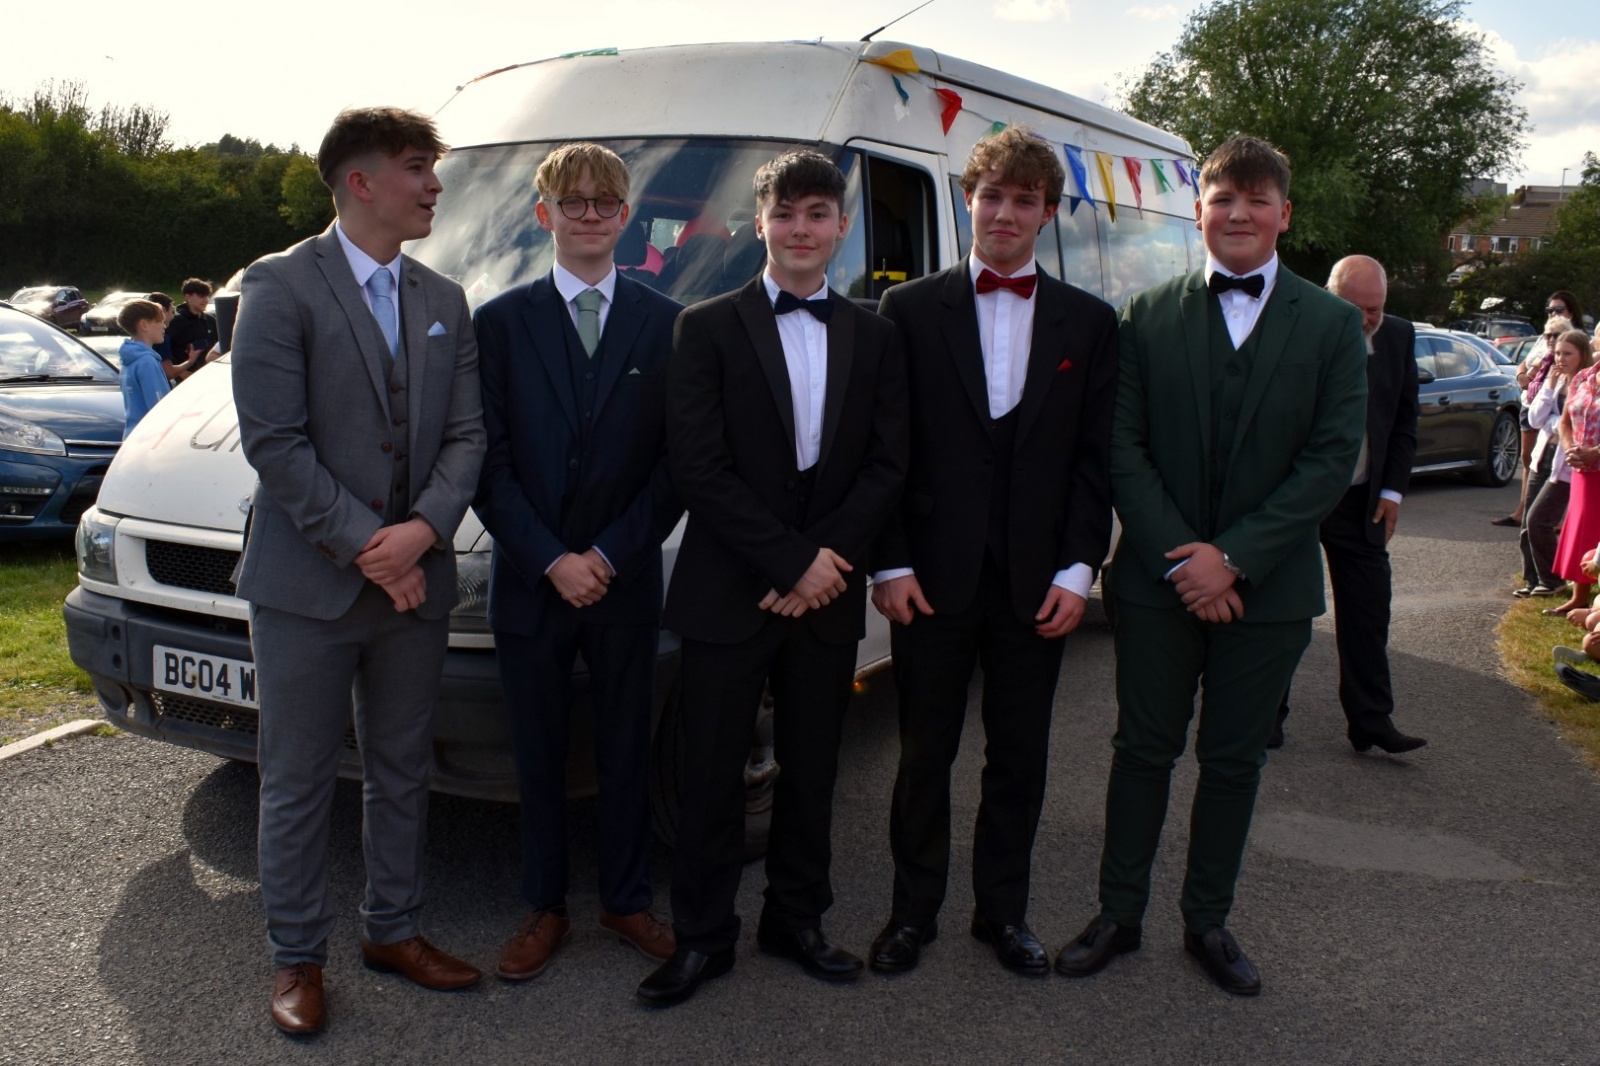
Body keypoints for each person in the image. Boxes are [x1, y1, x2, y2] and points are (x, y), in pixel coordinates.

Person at [1056, 135, 1366, 996]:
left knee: (1234, 762)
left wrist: (1233, 560)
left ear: (1284, 215)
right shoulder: (1144, 316)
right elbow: (1122, 448)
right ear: (1199, 211)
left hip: (1270, 592)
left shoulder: (1333, 324)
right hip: (1157, 585)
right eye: (1224, 197)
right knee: (1141, 751)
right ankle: (1119, 914)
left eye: (1257, 199)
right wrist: (1184, 562)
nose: (1239, 213)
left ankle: (1207, 922)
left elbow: (1331, 459)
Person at [231, 106, 487, 1037]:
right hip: (308, 588)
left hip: (414, 583)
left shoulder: (444, 297)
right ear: (361, 181)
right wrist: (372, 548)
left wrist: (420, 533)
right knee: (297, 779)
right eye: (418, 167)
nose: (434, 185)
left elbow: (467, 436)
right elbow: (275, 442)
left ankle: (394, 931)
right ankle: (297, 957)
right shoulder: (279, 285)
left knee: (401, 768)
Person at [639, 148, 908, 1008]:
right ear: (759, 225)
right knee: (710, 776)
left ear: (841, 226)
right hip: (731, 591)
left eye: (817, 214)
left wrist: (822, 564)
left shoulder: (877, 333)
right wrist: (792, 561)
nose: (800, 229)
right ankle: (702, 937)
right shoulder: (705, 326)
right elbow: (698, 466)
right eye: (784, 214)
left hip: (826, 595)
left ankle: (797, 920)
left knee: (813, 770)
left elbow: (888, 463)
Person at [864, 127, 1119, 978]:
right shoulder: (907, 311)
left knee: (1019, 759)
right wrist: (890, 563)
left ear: (1046, 212)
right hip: (930, 582)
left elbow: (1094, 461)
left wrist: (1078, 572)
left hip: (1037, 584)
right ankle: (911, 914)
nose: (1005, 213)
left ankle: (1002, 915)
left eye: (1024, 199)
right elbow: (886, 450)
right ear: (968, 200)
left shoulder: (1090, 322)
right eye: (992, 195)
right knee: (922, 755)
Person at [472, 143, 684, 981]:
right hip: (531, 582)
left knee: (628, 746)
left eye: (605, 203)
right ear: (544, 214)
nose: (589, 215)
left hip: (625, 581)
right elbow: (487, 463)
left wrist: (606, 553)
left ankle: (627, 899)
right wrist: (552, 558)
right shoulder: (499, 323)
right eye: (573, 201)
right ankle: (545, 905)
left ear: (626, 217)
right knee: (537, 751)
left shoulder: (668, 323)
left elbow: (676, 465)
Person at [1271, 255, 1423, 753]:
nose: (1363, 320)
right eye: (1352, 308)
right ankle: (1265, 715)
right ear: (1327, 296)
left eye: (1374, 310)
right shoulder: (1297, 328)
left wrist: (1392, 491)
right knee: (1284, 609)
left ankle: (1371, 720)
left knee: (1368, 612)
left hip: (1361, 500)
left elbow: (1404, 422)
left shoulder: (1398, 337)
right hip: (1296, 496)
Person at [1517, 323, 1588, 598]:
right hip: (1543, 456)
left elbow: (1579, 425)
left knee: (1539, 520)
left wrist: (1555, 423)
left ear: (1582, 355)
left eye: (1567, 353)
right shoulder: (1555, 380)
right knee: (1528, 524)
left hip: (1565, 464)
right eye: (1558, 353)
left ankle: (1553, 579)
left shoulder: (1586, 385)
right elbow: (1535, 419)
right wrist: (1549, 386)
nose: (1560, 359)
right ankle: (1533, 580)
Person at [1545, 329, 1600, 617]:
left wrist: (1597, 452)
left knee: (1594, 529)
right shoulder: (1583, 378)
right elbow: (1565, 422)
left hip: (1597, 466)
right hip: (1581, 469)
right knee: (1582, 529)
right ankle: (1580, 597)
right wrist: (1569, 448)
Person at [116, 298, 171, 437]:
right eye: (160, 321)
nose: (164, 326)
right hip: (148, 439)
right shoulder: (147, 362)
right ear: (144, 325)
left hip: (131, 435)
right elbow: (158, 408)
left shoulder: (128, 358)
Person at [164, 278, 217, 384]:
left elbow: (217, 347)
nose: (206, 300)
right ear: (188, 297)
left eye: (207, 296)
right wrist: (179, 372)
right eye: (201, 296)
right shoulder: (175, 322)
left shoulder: (211, 320)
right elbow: (164, 350)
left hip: (209, 377)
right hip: (184, 381)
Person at [144, 292, 175, 365]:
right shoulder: (161, 337)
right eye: (172, 312)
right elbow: (168, 370)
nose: (173, 317)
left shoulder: (138, 336)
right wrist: (191, 360)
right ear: (163, 312)